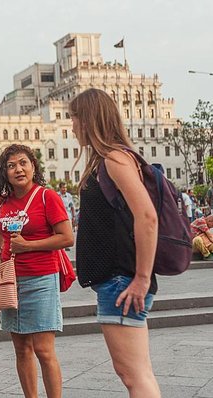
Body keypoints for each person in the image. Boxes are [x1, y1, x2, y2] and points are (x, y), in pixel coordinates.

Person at [70, 88, 161, 397]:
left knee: (133, 375)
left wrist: (142, 278)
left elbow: (147, 217)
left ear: (89, 119)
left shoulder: (114, 159)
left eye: (74, 118)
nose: (71, 126)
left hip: (121, 281)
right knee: (139, 372)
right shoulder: (112, 158)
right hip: (120, 279)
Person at [0, 144, 73, 398]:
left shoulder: (48, 197)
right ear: (5, 172)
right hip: (10, 279)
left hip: (40, 278)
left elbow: (67, 238)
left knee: (44, 350)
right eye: (11, 165)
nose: (18, 169)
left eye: (23, 163)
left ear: (33, 166)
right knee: (21, 348)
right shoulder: (4, 201)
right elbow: (2, 235)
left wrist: (29, 246)